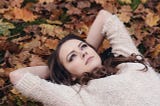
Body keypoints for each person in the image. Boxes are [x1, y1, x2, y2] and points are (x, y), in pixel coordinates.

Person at [9, 10, 160, 106]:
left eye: (83, 47)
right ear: (69, 75)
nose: (82, 53)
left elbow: (104, 17)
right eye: (72, 57)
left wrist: (89, 51)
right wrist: (55, 70)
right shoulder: (77, 96)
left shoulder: (127, 60)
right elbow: (17, 76)